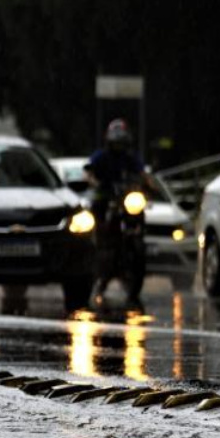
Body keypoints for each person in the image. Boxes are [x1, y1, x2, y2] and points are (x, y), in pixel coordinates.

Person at [84, 119, 145, 301]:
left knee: (139, 212)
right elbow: (88, 172)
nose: (119, 145)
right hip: (105, 199)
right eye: (116, 142)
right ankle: (97, 250)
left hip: (124, 200)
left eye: (122, 142)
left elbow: (143, 174)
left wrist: (149, 186)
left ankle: (135, 241)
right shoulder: (101, 156)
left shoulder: (131, 157)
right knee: (96, 223)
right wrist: (95, 183)